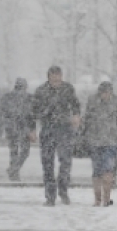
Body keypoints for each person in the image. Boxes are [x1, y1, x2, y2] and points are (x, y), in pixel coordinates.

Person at [32, 66, 81, 206]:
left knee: (66, 161)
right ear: (48, 77)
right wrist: (32, 129)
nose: (56, 79)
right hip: (48, 129)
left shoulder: (68, 89)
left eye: (59, 76)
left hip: (64, 129)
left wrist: (76, 115)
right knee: (47, 164)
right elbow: (33, 111)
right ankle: (50, 196)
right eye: (54, 77)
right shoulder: (41, 91)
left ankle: (63, 189)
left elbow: (75, 104)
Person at [81, 81, 117, 207]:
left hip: (110, 141)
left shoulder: (116, 102)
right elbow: (86, 119)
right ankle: (98, 199)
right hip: (95, 141)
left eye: (108, 93)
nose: (106, 95)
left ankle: (106, 199)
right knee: (97, 171)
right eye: (104, 93)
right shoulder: (93, 102)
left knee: (108, 170)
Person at [0, 77, 35, 181]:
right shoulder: (28, 98)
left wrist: (2, 126)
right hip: (21, 127)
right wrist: (32, 129)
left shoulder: (8, 97)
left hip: (14, 127)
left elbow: (1, 112)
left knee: (15, 151)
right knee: (23, 151)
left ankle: (14, 169)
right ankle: (14, 170)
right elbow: (32, 115)